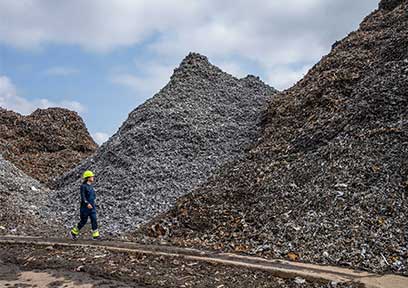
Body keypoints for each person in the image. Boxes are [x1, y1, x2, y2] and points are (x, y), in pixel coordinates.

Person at [70, 170, 100, 240]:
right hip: (85, 208)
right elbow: (83, 197)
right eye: (92, 176)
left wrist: (93, 203)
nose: (93, 177)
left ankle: (96, 236)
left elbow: (93, 196)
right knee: (83, 221)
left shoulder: (91, 187)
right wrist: (87, 203)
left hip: (92, 207)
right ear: (88, 178)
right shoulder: (83, 186)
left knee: (94, 219)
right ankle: (73, 232)